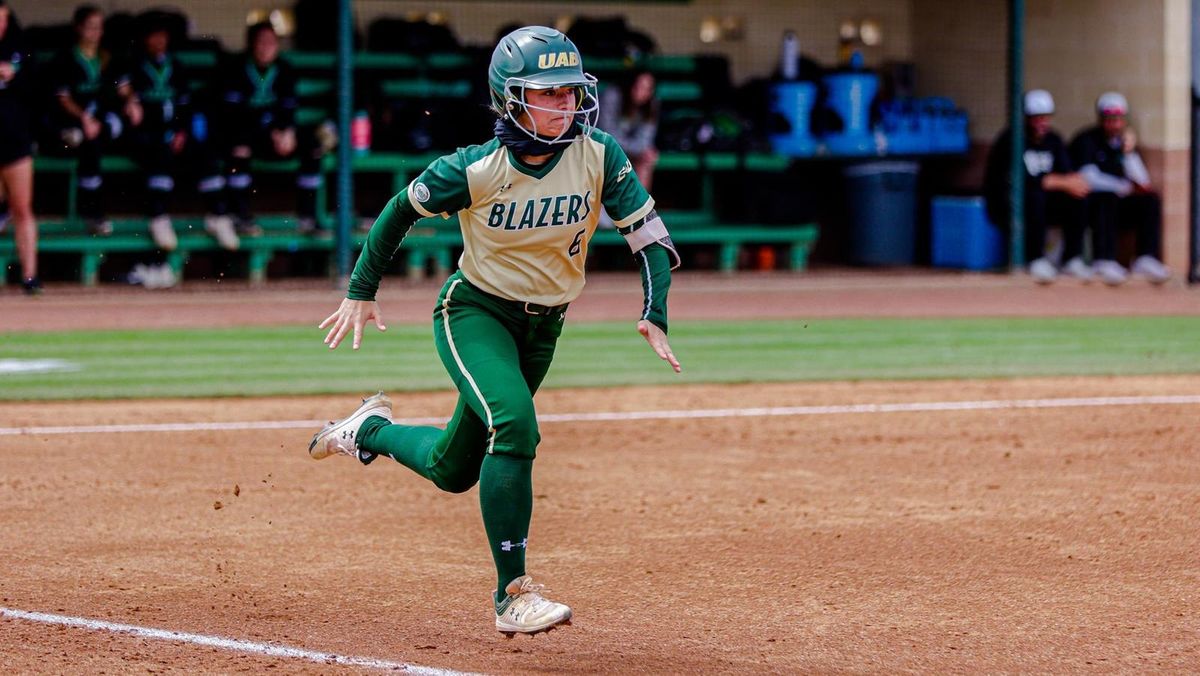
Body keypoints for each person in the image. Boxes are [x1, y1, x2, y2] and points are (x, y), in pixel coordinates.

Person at [310, 26, 681, 636]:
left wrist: (655, 310)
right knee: (515, 422)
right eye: (549, 93)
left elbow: (650, 238)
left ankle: (366, 429)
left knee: (455, 469)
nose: (567, 105)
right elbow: (400, 208)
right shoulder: (475, 168)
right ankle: (513, 593)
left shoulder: (600, 154)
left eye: (571, 91)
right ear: (510, 98)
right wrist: (361, 289)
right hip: (475, 314)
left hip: (544, 328)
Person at [126, 15, 237, 251]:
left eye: (163, 36)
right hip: (145, 137)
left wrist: (181, 132)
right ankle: (158, 217)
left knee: (205, 154)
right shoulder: (133, 65)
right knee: (159, 153)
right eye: (154, 36)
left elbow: (185, 105)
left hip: (175, 135)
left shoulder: (176, 66)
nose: (159, 41)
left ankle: (218, 215)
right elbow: (124, 96)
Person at [218, 22, 325, 237]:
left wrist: (287, 131)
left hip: (277, 138)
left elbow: (288, 107)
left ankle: (308, 217)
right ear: (251, 44)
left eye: (272, 42)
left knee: (314, 146)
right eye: (262, 42)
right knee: (239, 145)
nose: (267, 47)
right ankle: (239, 216)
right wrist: (271, 129)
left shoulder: (284, 69)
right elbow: (234, 114)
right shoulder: (236, 67)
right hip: (248, 135)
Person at [46, 5, 138, 236]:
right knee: (88, 141)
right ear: (79, 28)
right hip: (77, 121)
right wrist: (84, 117)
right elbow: (63, 99)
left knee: (103, 133)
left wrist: (132, 101)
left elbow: (124, 88)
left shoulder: (109, 57)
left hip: (102, 124)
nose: (95, 32)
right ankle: (93, 211)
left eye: (99, 27)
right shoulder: (66, 59)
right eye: (90, 27)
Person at [984, 89, 1091, 283]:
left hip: (1044, 202)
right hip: (1008, 205)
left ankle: (1072, 259)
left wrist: (1070, 182)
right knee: (1035, 195)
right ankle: (1035, 259)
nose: (1042, 123)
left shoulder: (1053, 139)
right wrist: (1058, 182)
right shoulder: (1011, 140)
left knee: (1078, 195)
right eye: (1037, 118)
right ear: (1026, 118)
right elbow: (1023, 181)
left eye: (1045, 118)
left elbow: (1067, 173)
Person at [1069, 92, 1171, 285]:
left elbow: (1143, 181)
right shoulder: (1086, 140)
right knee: (1106, 197)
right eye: (1109, 120)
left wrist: (1129, 152)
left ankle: (1146, 257)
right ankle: (1103, 260)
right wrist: (1120, 186)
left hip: (1118, 207)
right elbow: (1088, 178)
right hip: (1089, 207)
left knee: (1150, 200)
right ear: (1101, 119)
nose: (1114, 125)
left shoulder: (1122, 143)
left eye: (1118, 120)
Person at [0, 0, 40, 294]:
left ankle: (30, 276)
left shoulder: (19, 49)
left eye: (3, 19)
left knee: (22, 208)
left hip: (15, 140)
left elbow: (39, 89)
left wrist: (13, 76)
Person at [598, 68, 660, 191]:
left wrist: (641, 150)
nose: (643, 92)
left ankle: (641, 208)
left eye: (648, 89)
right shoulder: (613, 96)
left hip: (631, 152)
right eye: (640, 86)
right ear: (631, 84)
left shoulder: (652, 104)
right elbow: (608, 137)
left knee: (647, 160)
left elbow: (646, 139)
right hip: (605, 150)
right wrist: (638, 149)